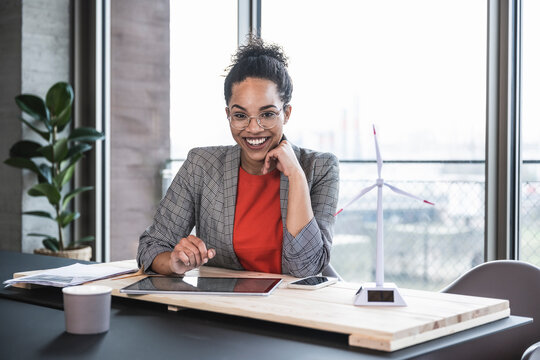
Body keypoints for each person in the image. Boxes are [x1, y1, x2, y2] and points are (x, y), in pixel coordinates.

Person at [137, 38, 339, 277]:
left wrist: (296, 175)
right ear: (228, 115)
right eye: (241, 115)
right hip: (226, 309)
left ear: (286, 113)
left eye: (267, 114)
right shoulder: (201, 165)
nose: (254, 128)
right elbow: (150, 248)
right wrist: (174, 263)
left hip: (294, 308)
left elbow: (305, 268)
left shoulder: (320, 167)